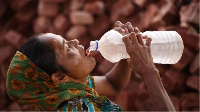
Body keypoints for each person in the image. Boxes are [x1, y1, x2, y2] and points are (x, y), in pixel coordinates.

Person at [6, 21, 175, 111]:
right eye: (69, 48)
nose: (77, 42)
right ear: (59, 76)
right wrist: (149, 71)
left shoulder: (62, 93)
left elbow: (112, 84)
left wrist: (125, 52)